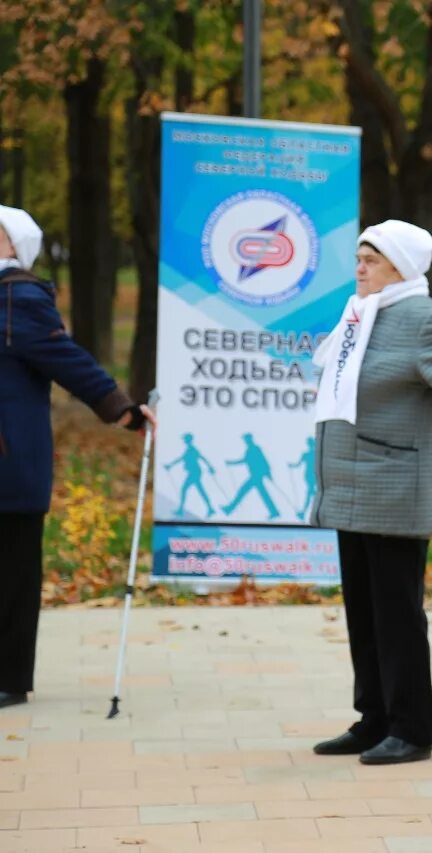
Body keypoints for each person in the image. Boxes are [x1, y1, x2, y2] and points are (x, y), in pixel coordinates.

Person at [308, 219, 432, 765]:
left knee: (397, 614)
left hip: (394, 486)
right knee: (363, 611)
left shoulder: (423, 318)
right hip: (350, 485)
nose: (358, 268)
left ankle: (411, 728)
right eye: (358, 258)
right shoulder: (361, 314)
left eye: (369, 260)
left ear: (400, 265)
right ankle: (372, 718)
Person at [0, 204, 155, 710]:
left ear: (13, 246)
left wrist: (122, 411)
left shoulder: (17, 298)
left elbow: (68, 361)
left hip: (9, 459)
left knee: (13, 570)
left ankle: (9, 679)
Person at [222, 433, 278, 519]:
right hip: (256, 475)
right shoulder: (251, 449)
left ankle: (229, 509)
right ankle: (274, 512)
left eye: (245, 439)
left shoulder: (254, 449)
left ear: (249, 439)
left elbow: (263, 460)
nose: (245, 441)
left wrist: (268, 473)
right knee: (262, 493)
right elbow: (247, 460)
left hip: (256, 475)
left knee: (243, 491)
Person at [164, 433, 216, 518]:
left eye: (185, 439)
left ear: (188, 440)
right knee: (200, 490)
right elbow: (181, 458)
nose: (183, 440)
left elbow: (202, 458)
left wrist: (210, 467)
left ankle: (181, 510)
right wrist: (170, 465)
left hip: (194, 472)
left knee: (185, 490)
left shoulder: (192, 449)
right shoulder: (189, 449)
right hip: (194, 472)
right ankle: (210, 509)